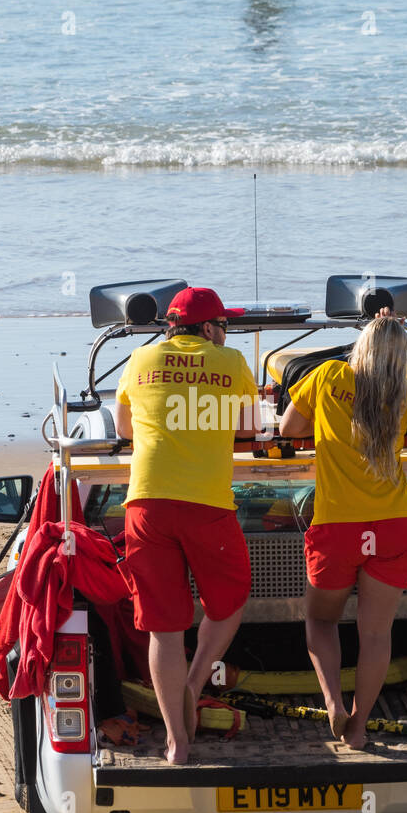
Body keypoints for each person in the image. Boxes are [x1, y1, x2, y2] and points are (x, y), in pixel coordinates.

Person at [115, 288, 260, 765]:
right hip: (206, 506)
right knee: (231, 597)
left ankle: (177, 742)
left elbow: (123, 429)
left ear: (170, 325)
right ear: (211, 328)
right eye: (225, 326)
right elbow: (250, 428)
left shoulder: (139, 359)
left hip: (147, 504)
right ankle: (196, 683)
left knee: (163, 628)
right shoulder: (231, 361)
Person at [279, 311, 407, 749]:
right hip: (395, 523)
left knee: (321, 620)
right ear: (401, 360)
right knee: (376, 634)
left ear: (359, 345)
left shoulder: (327, 376)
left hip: (339, 524)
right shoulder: (405, 396)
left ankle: (333, 703)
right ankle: (359, 729)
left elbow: (288, 429)